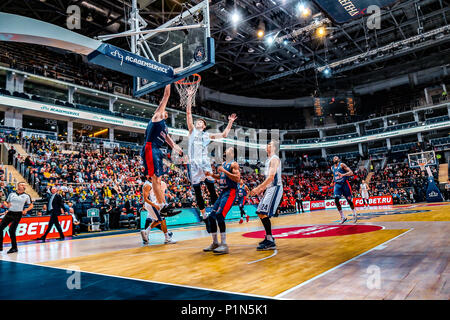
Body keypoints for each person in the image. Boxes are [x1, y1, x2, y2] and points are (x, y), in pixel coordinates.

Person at [185, 89, 237, 229]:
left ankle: (216, 212)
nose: (198, 122)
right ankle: (204, 216)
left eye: (200, 122)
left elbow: (225, 134)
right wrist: (190, 97)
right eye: (197, 121)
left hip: (205, 164)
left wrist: (230, 122)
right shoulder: (191, 131)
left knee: (211, 189)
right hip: (194, 165)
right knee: (197, 192)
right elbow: (189, 113)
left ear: (204, 125)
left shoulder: (207, 136)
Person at [141, 84, 182, 214]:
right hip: (150, 147)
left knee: (158, 179)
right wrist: (169, 82)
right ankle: (161, 205)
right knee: (154, 177)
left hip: (158, 150)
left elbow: (170, 141)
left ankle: (163, 205)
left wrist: (178, 150)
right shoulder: (157, 117)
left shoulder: (164, 127)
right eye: (164, 110)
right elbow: (166, 96)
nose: (166, 112)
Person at [203, 147, 240, 254]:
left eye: (228, 149)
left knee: (219, 215)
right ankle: (215, 243)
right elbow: (220, 177)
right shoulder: (224, 164)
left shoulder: (234, 164)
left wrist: (224, 171)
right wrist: (211, 175)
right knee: (211, 217)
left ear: (232, 154)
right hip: (223, 192)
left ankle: (224, 245)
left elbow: (237, 179)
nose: (226, 150)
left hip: (231, 192)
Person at [249, 141, 283, 251]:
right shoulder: (268, 160)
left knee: (263, 213)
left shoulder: (274, 159)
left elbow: (271, 177)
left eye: (270, 144)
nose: (267, 145)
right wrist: (263, 189)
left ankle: (270, 241)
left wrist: (259, 188)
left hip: (275, 188)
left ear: (273, 148)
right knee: (260, 212)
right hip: (269, 189)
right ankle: (269, 238)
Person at [139, 176, 176, 245]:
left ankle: (146, 232)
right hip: (152, 205)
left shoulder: (153, 184)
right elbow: (145, 199)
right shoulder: (147, 185)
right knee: (162, 220)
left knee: (159, 220)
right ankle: (167, 238)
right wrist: (154, 205)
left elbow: (158, 193)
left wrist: (165, 202)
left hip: (154, 204)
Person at [0, 182, 33, 253]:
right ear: (18, 186)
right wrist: (6, 205)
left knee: (11, 230)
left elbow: (31, 205)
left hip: (18, 214)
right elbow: (5, 202)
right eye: (22, 185)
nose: (23, 186)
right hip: (10, 213)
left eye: (24, 185)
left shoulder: (26, 196)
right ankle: (0, 247)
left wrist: (26, 210)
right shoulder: (12, 194)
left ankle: (14, 248)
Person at [331, 156, 358, 224]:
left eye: (336, 158)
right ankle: (343, 217)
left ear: (339, 159)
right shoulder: (332, 168)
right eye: (334, 158)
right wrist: (332, 181)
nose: (335, 159)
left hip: (344, 184)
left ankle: (354, 213)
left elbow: (351, 172)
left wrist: (343, 175)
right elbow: (335, 175)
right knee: (336, 199)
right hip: (337, 185)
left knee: (349, 200)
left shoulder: (342, 165)